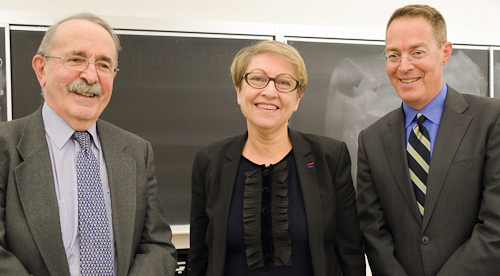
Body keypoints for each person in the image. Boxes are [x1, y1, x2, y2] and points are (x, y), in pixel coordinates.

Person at [0, 13, 177, 275]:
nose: (91, 76)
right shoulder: (5, 147)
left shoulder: (136, 151)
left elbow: (157, 246)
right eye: (75, 59)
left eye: (104, 65)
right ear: (41, 69)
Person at [189, 40, 365, 276]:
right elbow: (199, 258)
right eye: (258, 79)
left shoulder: (330, 158)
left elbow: (350, 255)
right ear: (239, 91)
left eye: (284, 82)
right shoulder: (209, 162)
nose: (269, 92)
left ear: (298, 99)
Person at [356, 4, 500, 276]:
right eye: (393, 55)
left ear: (445, 53)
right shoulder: (371, 140)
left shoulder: (491, 120)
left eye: (417, 52)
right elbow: (373, 232)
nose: (404, 66)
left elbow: (496, 225)